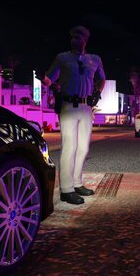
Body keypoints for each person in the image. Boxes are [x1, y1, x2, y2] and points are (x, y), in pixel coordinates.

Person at [43, 25, 106, 205]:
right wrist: (47, 81)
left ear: (85, 40)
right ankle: (66, 189)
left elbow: (102, 78)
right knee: (69, 147)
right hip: (68, 105)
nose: (75, 40)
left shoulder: (94, 59)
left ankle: (77, 183)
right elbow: (49, 78)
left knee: (82, 148)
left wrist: (98, 92)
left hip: (86, 107)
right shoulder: (62, 58)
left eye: (78, 37)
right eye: (73, 37)